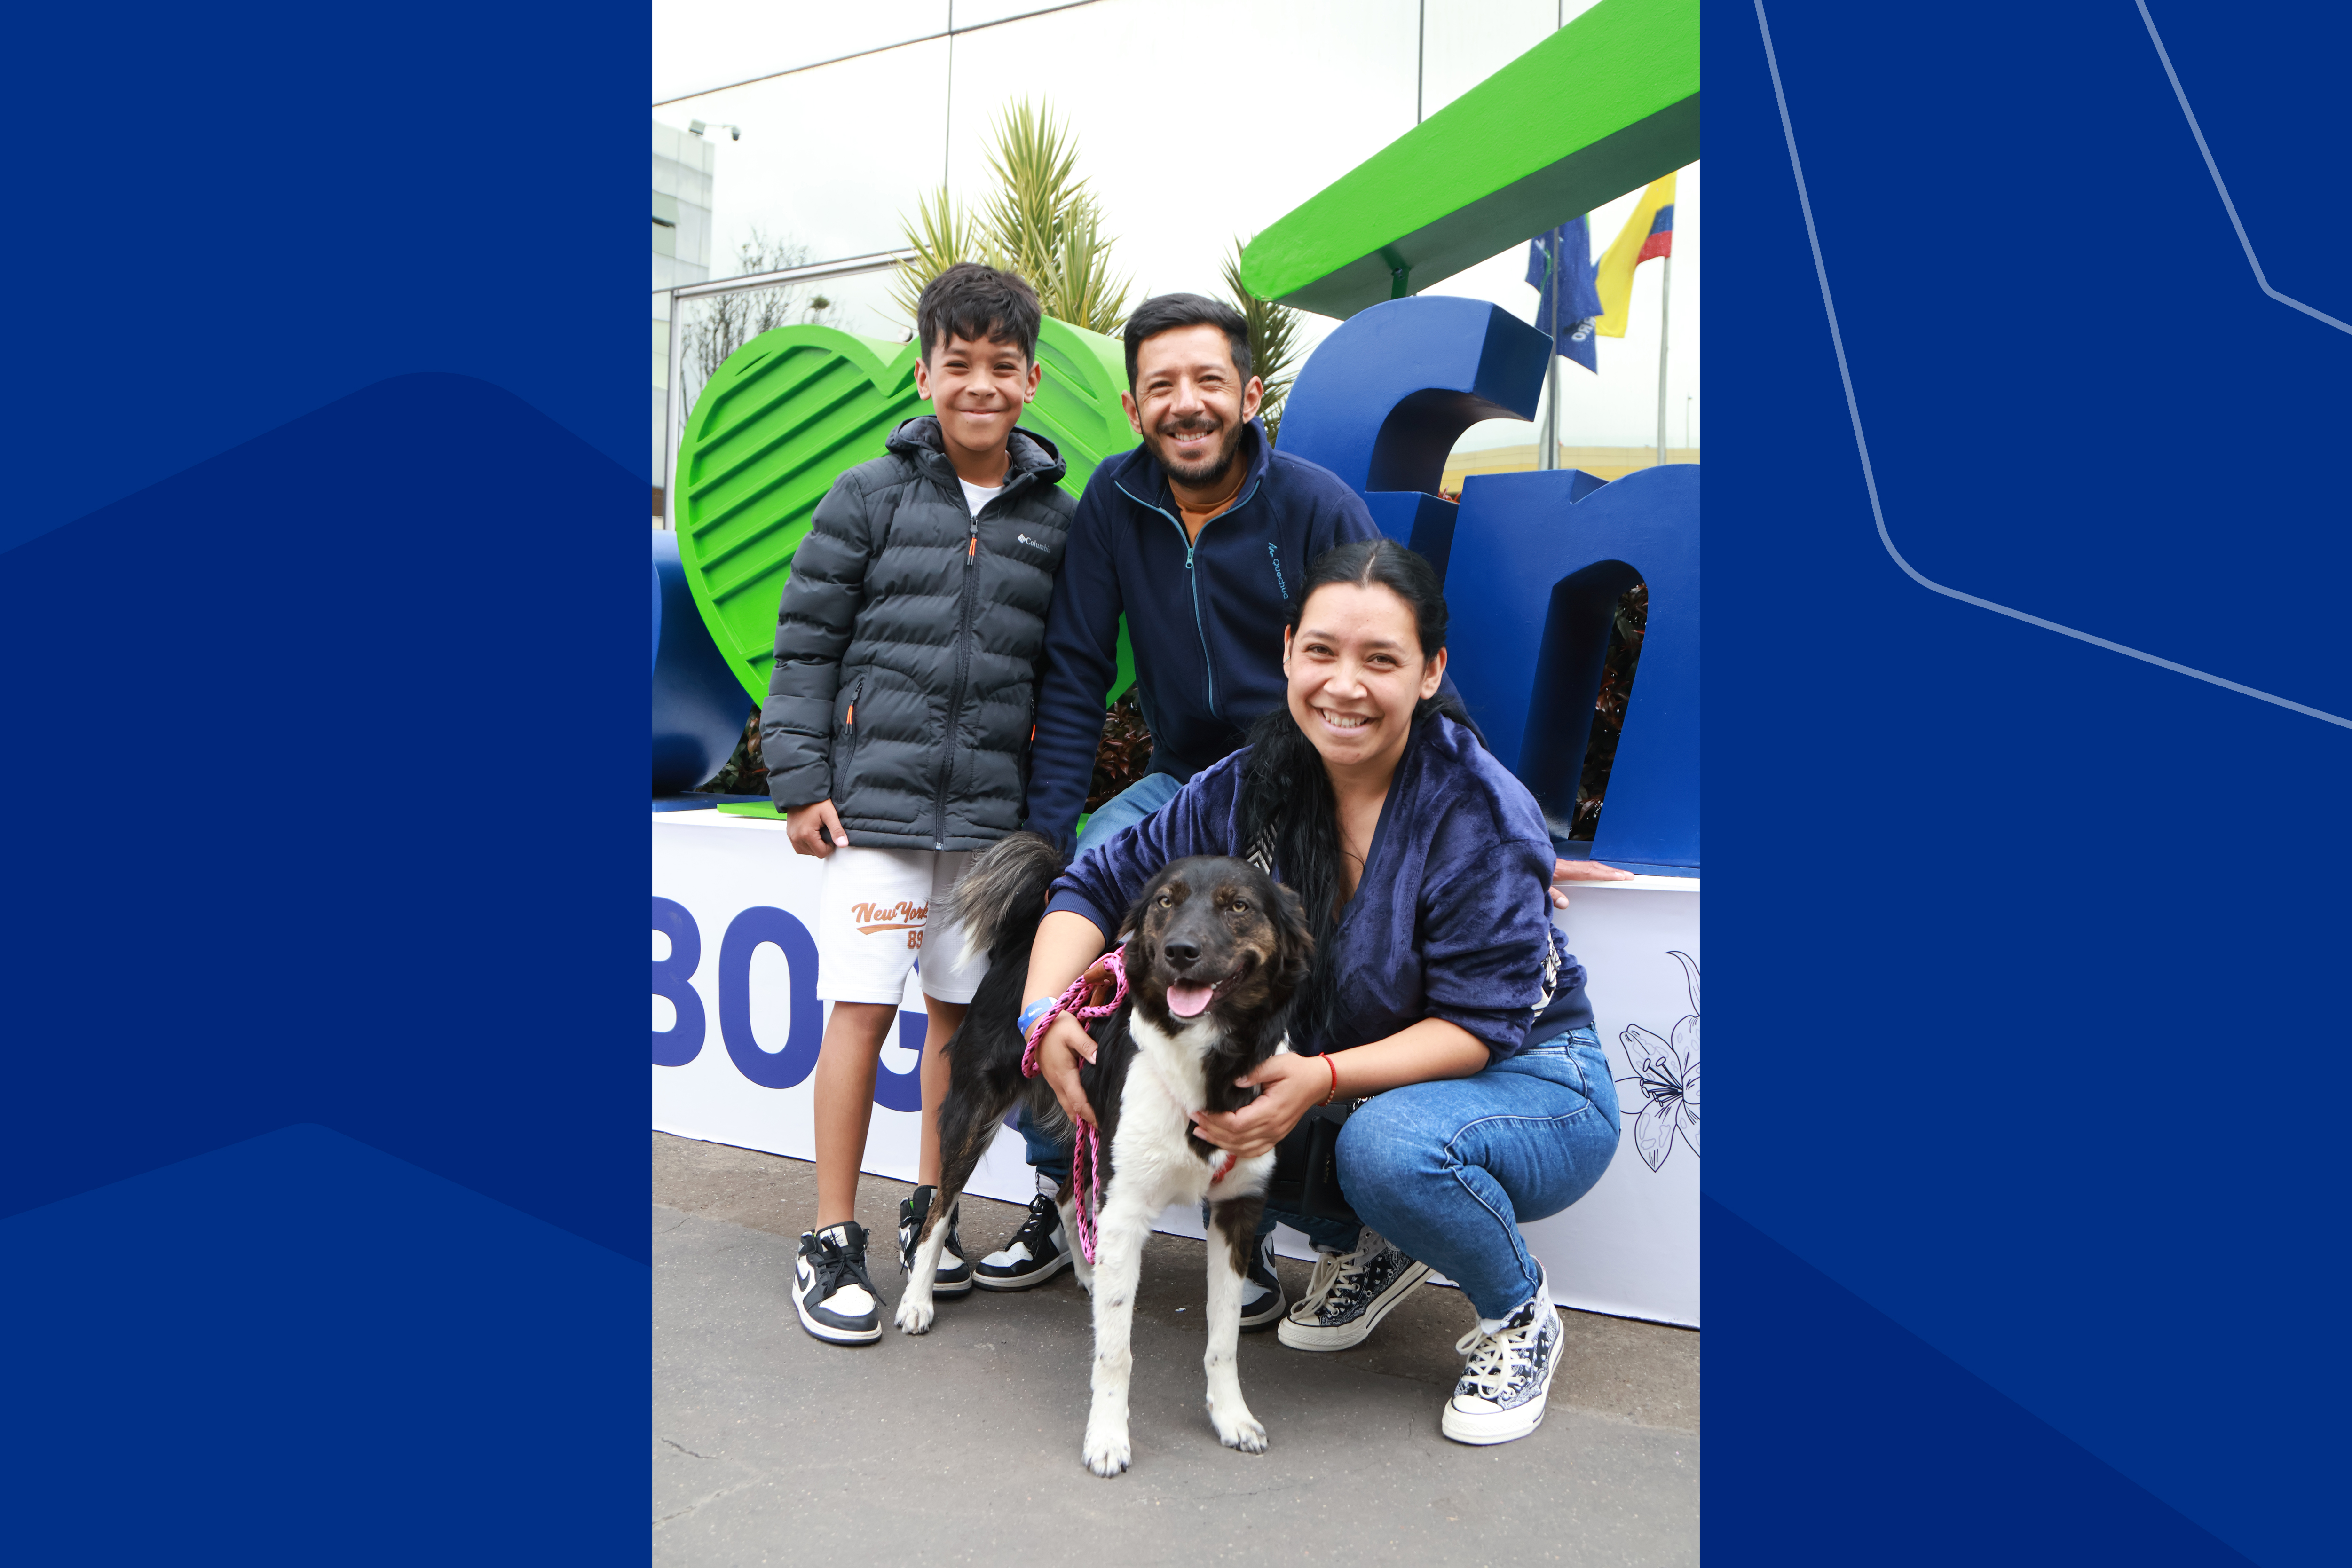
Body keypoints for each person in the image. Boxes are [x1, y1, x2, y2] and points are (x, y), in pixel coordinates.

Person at [980, 292, 1628, 1304]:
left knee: (1313, 1016)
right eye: (1161, 386)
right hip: (1220, 780)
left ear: (1248, 393)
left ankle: (1334, 1234)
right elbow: (1072, 681)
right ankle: (1062, 1180)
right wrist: (1043, 987)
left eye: (1207, 382)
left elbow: (1393, 641)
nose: (1186, 404)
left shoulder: (1314, 503)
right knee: (1065, 918)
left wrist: (1513, 834)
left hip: (1320, 766)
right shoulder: (1114, 501)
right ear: (1132, 403)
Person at [1026, 538, 1621, 1445]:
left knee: (1385, 1147)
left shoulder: (1476, 811)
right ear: (1287, 653)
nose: (1345, 684)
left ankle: (1518, 1316)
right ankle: (1380, 1241)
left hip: (1533, 1081)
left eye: (1380, 660)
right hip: (1360, 1070)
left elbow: (1476, 1028)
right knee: (1133, 1095)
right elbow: (1099, 884)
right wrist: (1043, 1014)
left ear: (1429, 674)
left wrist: (1318, 1079)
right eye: (1322, 653)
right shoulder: (1245, 785)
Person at [761, 262, 1074, 1347]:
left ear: (1031, 378)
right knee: (858, 1010)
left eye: (1001, 365)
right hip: (875, 819)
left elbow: (1059, 683)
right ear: (924, 369)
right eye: (957, 363)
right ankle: (830, 1236)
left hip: (987, 836)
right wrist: (800, 780)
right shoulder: (868, 494)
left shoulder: (1055, 521)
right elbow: (805, 644)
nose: (978, 384)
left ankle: (930, 1220)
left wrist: (1038, 826)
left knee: (955, 1020)